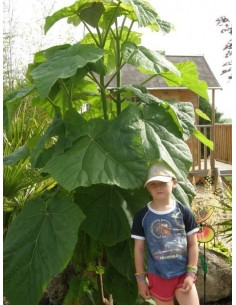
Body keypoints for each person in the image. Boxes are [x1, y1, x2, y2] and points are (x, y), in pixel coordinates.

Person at [131, 163, 200, 305]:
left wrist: (191, 274)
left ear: (174, 183)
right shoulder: (142, 216)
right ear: (147, 187)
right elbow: (138, 249)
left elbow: (193, 244)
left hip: (183, 274)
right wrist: (141, 281)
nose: (158, 187)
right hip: (158, 276)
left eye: (163, 182)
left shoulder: (184, 211)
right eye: (153, 184)